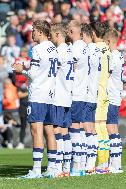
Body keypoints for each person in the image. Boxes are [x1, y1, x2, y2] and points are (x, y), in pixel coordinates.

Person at [13, 20, 59, 179]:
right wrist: (27, 67)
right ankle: (52, 168)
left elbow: (33, 74)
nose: (31, 33)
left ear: (40, 32)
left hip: (38, 94)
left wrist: (21, 71)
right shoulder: (54, 48)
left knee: (36, 130)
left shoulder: (36, 49)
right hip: (51, 95)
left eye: (33, 30)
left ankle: (37, 169)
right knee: (49, 132)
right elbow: (44, 68)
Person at [50, 23, 74, 177]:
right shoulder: (70, 51)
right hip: (68, 95)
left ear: (58, 35)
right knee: (65, 132)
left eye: (52, 36)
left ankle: (57, 168)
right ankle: (66, 167)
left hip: (58, 95)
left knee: (55, 131)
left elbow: (51, 72)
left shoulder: (59, 51)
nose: (51, 39)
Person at [67, 20, 89, 176]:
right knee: (79, 128)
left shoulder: (77, 47)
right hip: (83, 92)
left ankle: (76, 166)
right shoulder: (85, 47)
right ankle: (80, 165)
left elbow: (71, 66)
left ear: (70, 31)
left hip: (75, 92)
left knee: (74, 128)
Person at [103, 27, 125, 173]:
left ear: (109, 41)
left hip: (111, 96)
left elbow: (106, 71)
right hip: (115, 94)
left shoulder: (114, 56)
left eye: (105, 42)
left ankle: (115, 164)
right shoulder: (119, 55)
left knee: (111, 128)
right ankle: (116, 162)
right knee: (113, 128)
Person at [90, 21, 110, 174]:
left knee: (97, 127)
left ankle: (100, 162)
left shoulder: (94, 49)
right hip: (105, 91)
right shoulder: (108, 49)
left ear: (93, 33)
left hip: (97, 91)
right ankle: (104, 161)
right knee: (102, 127)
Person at [81, 23, 99, 174]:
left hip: (86, 93)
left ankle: (88, 162)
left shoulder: (86, 50)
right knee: (91, 128)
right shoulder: (98, 50)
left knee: (86, 128)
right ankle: (91, 161)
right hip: (93, 93)